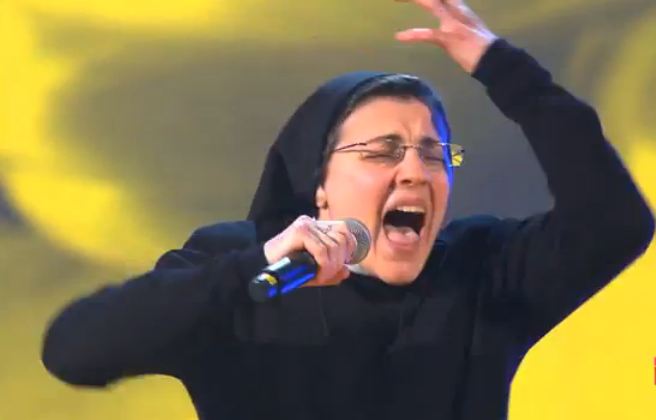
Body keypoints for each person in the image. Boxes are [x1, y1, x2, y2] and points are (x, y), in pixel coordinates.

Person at [41, 1, 654, 419]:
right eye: (383, 151)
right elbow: (74, 350)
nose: (415, 171)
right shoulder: (239, 269)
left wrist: (506, 71)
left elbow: (616, 223)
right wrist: (251, 271)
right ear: (318, 185)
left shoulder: (481, 271)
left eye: (434, 154)